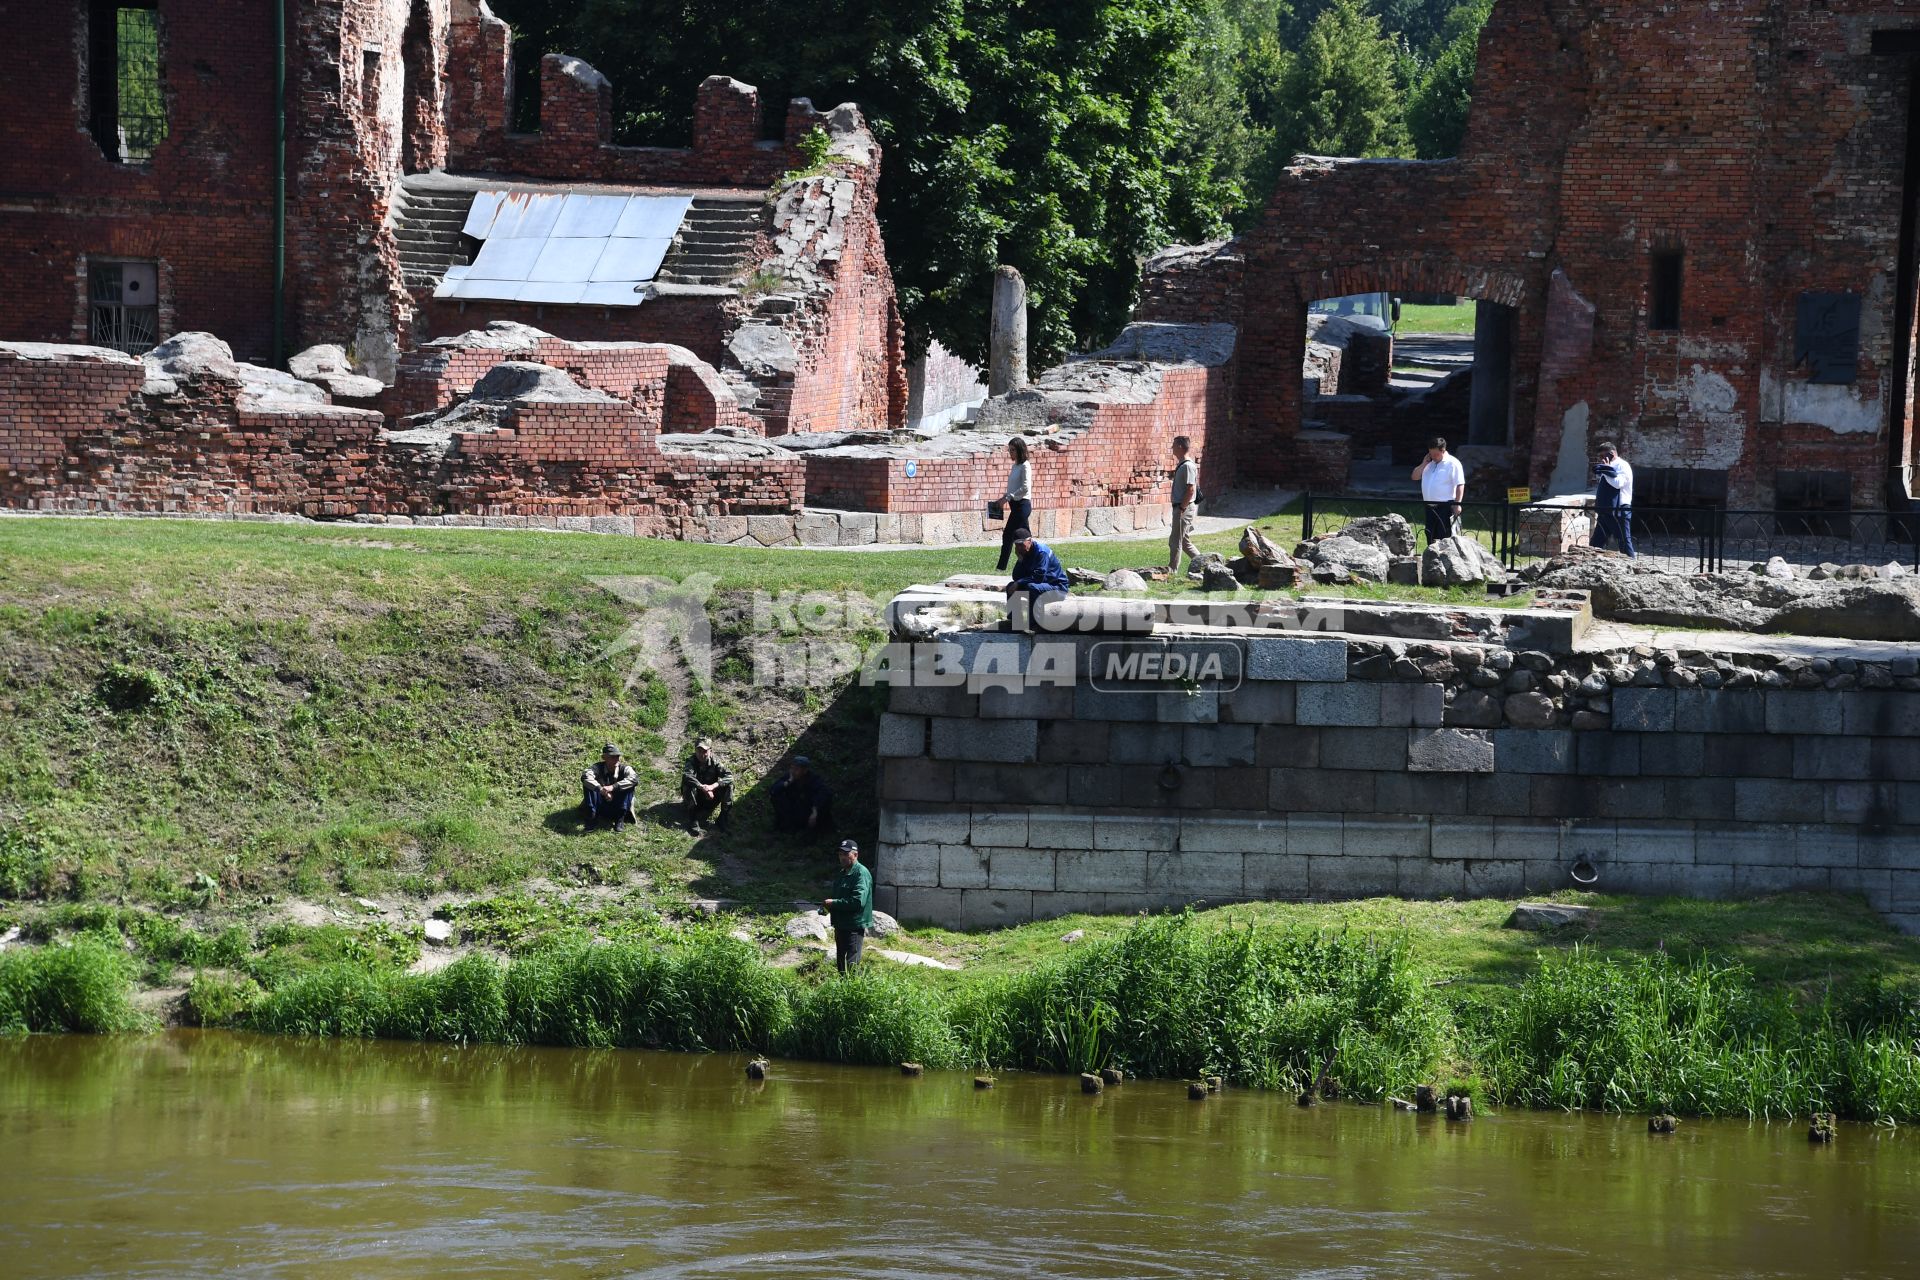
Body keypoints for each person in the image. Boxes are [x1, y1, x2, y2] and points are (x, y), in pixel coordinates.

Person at [822, 838, 874, 973]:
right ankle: (842, 991)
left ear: (855, 855)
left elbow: (857, 902)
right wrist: (827, 907)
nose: (842, 857)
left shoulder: (861, 873)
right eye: (840, 854)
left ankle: (853, 992)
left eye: (846, 854)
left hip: (853, 927)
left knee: (852, 964)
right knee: (840, 964)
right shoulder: (842, 873)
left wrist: (834, 903)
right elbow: (839, 898)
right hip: (840, 925)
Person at [1412, 435, 1465, 547]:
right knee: (1430, 534)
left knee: (1444, 536)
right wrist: (1424, 464)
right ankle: (1432, 560)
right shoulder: (1428, 463)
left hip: (1445, 506)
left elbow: (1460, 484)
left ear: (1443, 450)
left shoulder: (1453, 463)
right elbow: (1415, 477)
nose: (1433, 457)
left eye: (1436, 454)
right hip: (1429, 506)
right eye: (1431, 454)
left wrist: (1457, 504)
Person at [1591, 440, 1636, 558]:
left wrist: (1606, 470)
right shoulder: (1608, 465)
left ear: (1611, 453)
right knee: (1596, 542)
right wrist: (1605, 469)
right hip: (1606, 508)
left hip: (1619, 509)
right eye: (1599, 456)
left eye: (1603, 455)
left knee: (1624, 541)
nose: (1601, 458)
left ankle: (1633, 565)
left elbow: (1618, 483)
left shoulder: (1622, 465)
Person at [995, 437, 1034, 572]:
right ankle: (1031, 561)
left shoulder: (1025, 465)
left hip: (1022, 505)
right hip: (1015, 505)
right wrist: (1004, 497)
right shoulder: (1015, 466)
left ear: (1019, 450)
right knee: (1024, 536)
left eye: (1013, 450)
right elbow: (1012, 487)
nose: (1011, 453)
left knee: (1009, 535)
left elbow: (1025, 488)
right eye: (1009, 450)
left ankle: (1001, 567)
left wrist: (1008, 498)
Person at [679, 738, 733, 833]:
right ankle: (693, 818)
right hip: (697, 797)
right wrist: (702, 787)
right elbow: (687, 775)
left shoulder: (716, 762)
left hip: (711, 797)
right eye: (699, 751)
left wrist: (713, 786)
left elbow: (729, 776)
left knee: (729, 785)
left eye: (705, 751)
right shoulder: (691, 761)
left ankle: (722, 818)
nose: (702, 754)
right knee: (688, 784)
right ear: (695, 750)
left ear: (710, 751)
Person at [581, 743, 637, 830]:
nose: (616, 759)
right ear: (604, 758)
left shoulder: (625, 769)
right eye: (612, 757)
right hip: (600, 803)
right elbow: (585, 777)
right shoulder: (597, 768)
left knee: (630, 785)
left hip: (619, 804)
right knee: (588, 784)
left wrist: (613, 787)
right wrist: (601, 790)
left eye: (617, 756)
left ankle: (620, 819)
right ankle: (591, 817)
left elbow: (634, 779)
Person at [771, 755, 833, 834]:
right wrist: (788, 782)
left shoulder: (814, 779)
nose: (793, 771)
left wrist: (815, 810)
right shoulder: (789, 776)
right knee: (777, 796)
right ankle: (786, 826)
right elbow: (774, 790)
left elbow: (825, 793)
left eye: (797, 769)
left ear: (804, 771)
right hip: (794, 808)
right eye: (792, 768)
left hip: (808, 809)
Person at [1003, 527, 1069, 599]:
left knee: (1032, 588)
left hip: (1057, 588)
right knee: (1011, 587)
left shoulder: (1042, 552)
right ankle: (1015, 610)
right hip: (1040, 585)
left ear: (1030, 541)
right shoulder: (1024, 552)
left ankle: (1034, 611)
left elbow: (1039, 577)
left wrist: (1019, 582)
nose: (1019, 548)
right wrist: (1020, 560)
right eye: (1017, 545)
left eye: (1021, 544)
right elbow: (1016, 577)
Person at [1167, 436, 1201, 576]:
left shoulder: (1188, 466)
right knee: (1185, 541)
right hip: (1181, 507)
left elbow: (1191, 489)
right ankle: (1206, 563)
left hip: (1184, 508)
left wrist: (1181, 508)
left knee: (1175, 541)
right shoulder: (1183, 464)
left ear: (1180, 447)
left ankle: (1171, 571)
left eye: (1174, 445)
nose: (1172, 447)